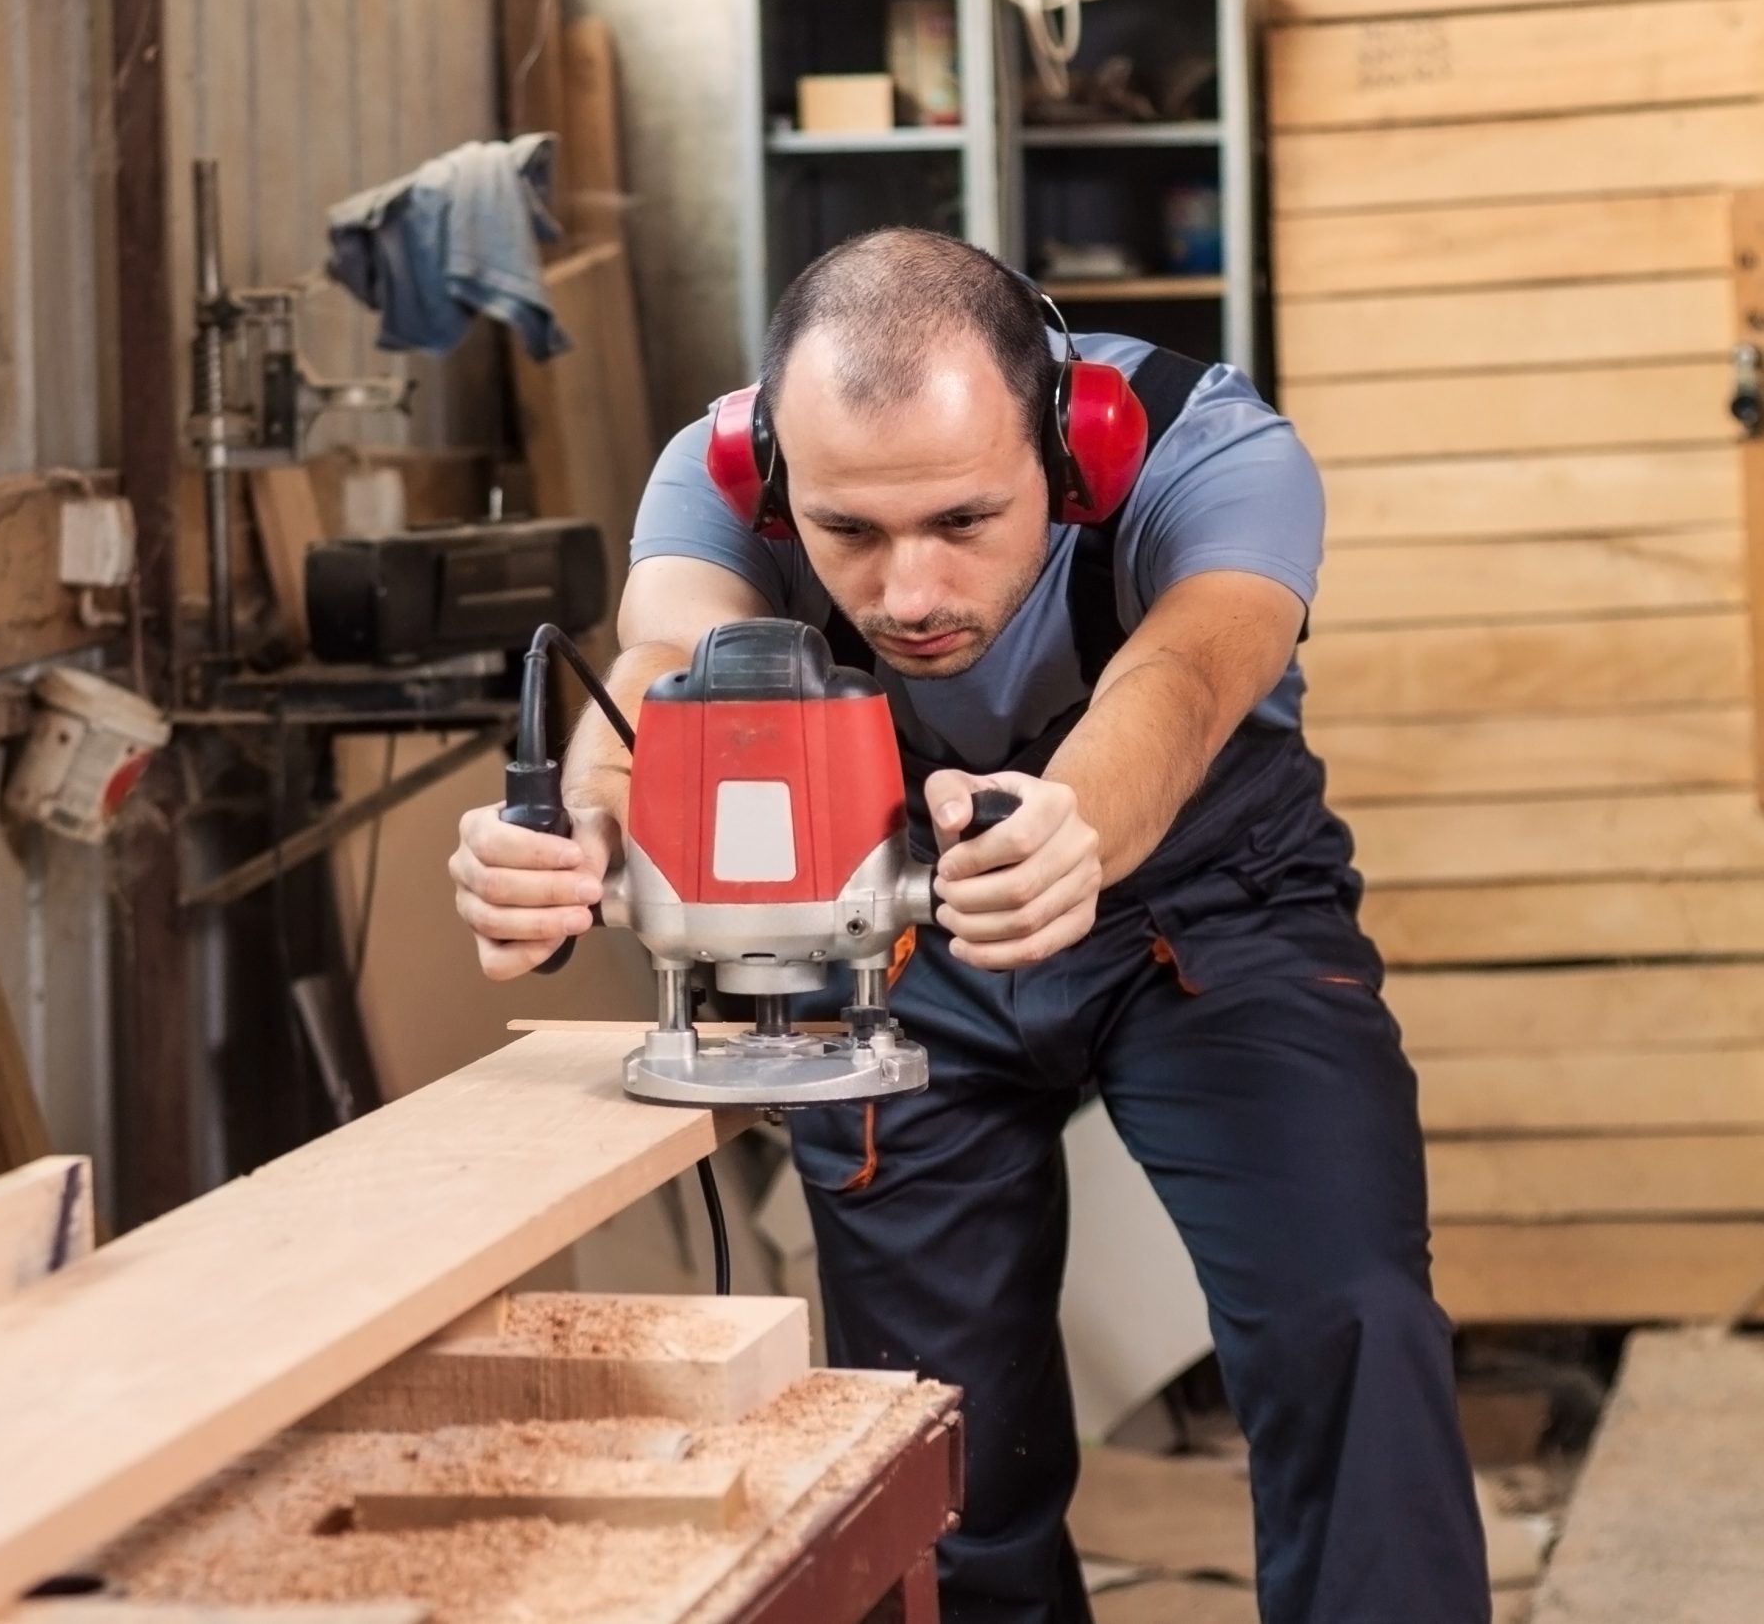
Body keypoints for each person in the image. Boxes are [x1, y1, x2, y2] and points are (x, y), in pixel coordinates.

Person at [445, 227, 1487, 1624]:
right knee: (940, 1442)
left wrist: (1073, 825)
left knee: (1349, 1325)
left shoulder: (1211, 451)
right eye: (849, 535)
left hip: (1210, 909)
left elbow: (1186, 671)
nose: (910, 596)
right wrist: (587, 841)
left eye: (962, 522)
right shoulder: (716, 474)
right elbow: (661, 675)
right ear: (772, 479)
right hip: (895, 942)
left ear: (1075, 453)